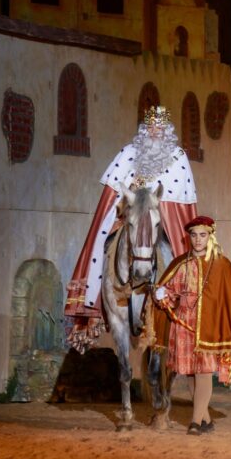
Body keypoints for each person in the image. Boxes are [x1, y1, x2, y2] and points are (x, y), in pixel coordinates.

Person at [64, 105, 198, 353]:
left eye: (160, 128)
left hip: (159, 220)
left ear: (167, 131)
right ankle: (96, 300)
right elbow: (115, 192)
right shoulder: (129, 153)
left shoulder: (178, 157)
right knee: (104, 241)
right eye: (151, 127)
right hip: (130, 214)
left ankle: (179, 302)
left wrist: (154, 207)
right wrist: (131, 193)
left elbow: (178, 204)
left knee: (174, 251)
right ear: (144, 130)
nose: (155, 132)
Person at [152, 216, 231, 435]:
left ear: (210, 236)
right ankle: (206, 420)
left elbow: (230, 299)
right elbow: (170, 293)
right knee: (190, 372)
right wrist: (162, 295)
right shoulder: (180, 263)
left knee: (204, 372)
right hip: (183, 325)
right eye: (194, 235)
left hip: (208, 325)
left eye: (202, 235)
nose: (198, 240)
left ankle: (195, 422)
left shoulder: (221, 264)